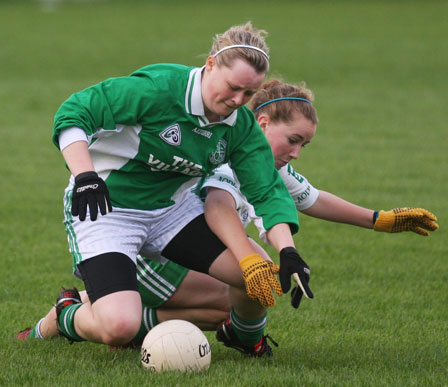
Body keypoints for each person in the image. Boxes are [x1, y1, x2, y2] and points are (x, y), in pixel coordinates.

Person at [18, 79, 438, 354]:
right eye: (292, 140)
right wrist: (250, 257)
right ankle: (72, 315)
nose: (295, 153)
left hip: (186, 250)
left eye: (303, 146)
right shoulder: (227, 151)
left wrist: (377, 218)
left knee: (248, 295)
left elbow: (310, 198)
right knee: (244, 288)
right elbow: (219, 206)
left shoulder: (266, 165)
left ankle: (221, 331)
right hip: (152, 250)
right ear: (261, 121)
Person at [43, 22, 313, 357]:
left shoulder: (239, 126)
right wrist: (85, 175)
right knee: (118, 328)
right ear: (211, 64)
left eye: (247, 95)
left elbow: (267, 190)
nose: (236, 100)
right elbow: (76, 112)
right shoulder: (159, 89)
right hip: (108, 210)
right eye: (232, 88)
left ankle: (244, 336)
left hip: (171, 213)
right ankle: (68, 313)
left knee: (257, 273)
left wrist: (289, 252)